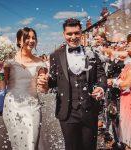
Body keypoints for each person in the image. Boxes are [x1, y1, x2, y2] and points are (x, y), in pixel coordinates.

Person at [38, 18, 107, 150]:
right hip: (67, 112)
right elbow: (53, 81)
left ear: (81, 33)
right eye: (69, 34)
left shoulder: (92, 52)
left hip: (89, 109)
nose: (73, 37)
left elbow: (101, 75)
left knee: (90, 147)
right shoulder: (56, 55)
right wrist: (46, 80)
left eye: (76, 33)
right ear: (64, 34)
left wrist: (101, 88)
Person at [0, 27, 48, 150]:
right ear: (19, 41)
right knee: (18, 145)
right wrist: (0, 70)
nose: (31, 40)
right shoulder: (10, 61)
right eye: (27, 37)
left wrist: (44, 84)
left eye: (34, 38)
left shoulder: (40, 62)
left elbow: (44, 90)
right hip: (13, 107)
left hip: (33, 107)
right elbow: (1, 86)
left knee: (31, 143)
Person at [108, 33, 131, 150]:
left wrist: (113, 82)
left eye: (129, 45)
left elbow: (126, 84)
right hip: (129, 101)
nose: (126, 47)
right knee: (128, 143)